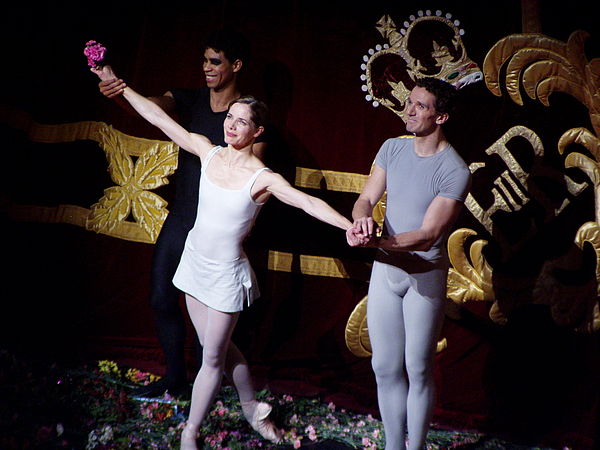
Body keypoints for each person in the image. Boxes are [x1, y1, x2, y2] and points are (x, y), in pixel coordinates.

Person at [91, 62, 361, 448]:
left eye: (241, 121)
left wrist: (348, 227)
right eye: (230, 117)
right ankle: (252, 407)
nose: (231, 125)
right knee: (222, 348)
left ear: (257, 131)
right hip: (194, 263)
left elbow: (308, 203)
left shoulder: (263, 178)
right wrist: (120, 87)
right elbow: (159, 120)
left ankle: (189, 435)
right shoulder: (208, 152)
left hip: (224, 277)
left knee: (212, 359)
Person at [98, 30, 266, 398]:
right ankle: (176, 380)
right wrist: (119, 89)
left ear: (236, 66)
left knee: (214, 321)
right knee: (161, 297)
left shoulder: (248, 117)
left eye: (215, 61)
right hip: (180, 218)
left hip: (215, 230)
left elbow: (256, 179)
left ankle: (217, 387)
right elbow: (152, 109)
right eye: (205, 60)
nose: (207, 68)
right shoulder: (188, 100)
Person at [347, 77, 471, 450]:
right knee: (384, 367)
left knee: (417, 369)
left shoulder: (455, 169)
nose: (409, 110)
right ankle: (392, 446)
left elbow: (429, 234)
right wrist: (361, 220)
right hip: (386, 272)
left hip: (423, 276)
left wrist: (377, 241)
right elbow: (366, 197)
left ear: (441, 116)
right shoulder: (392, 149)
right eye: (410, 102)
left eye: (420, 106)